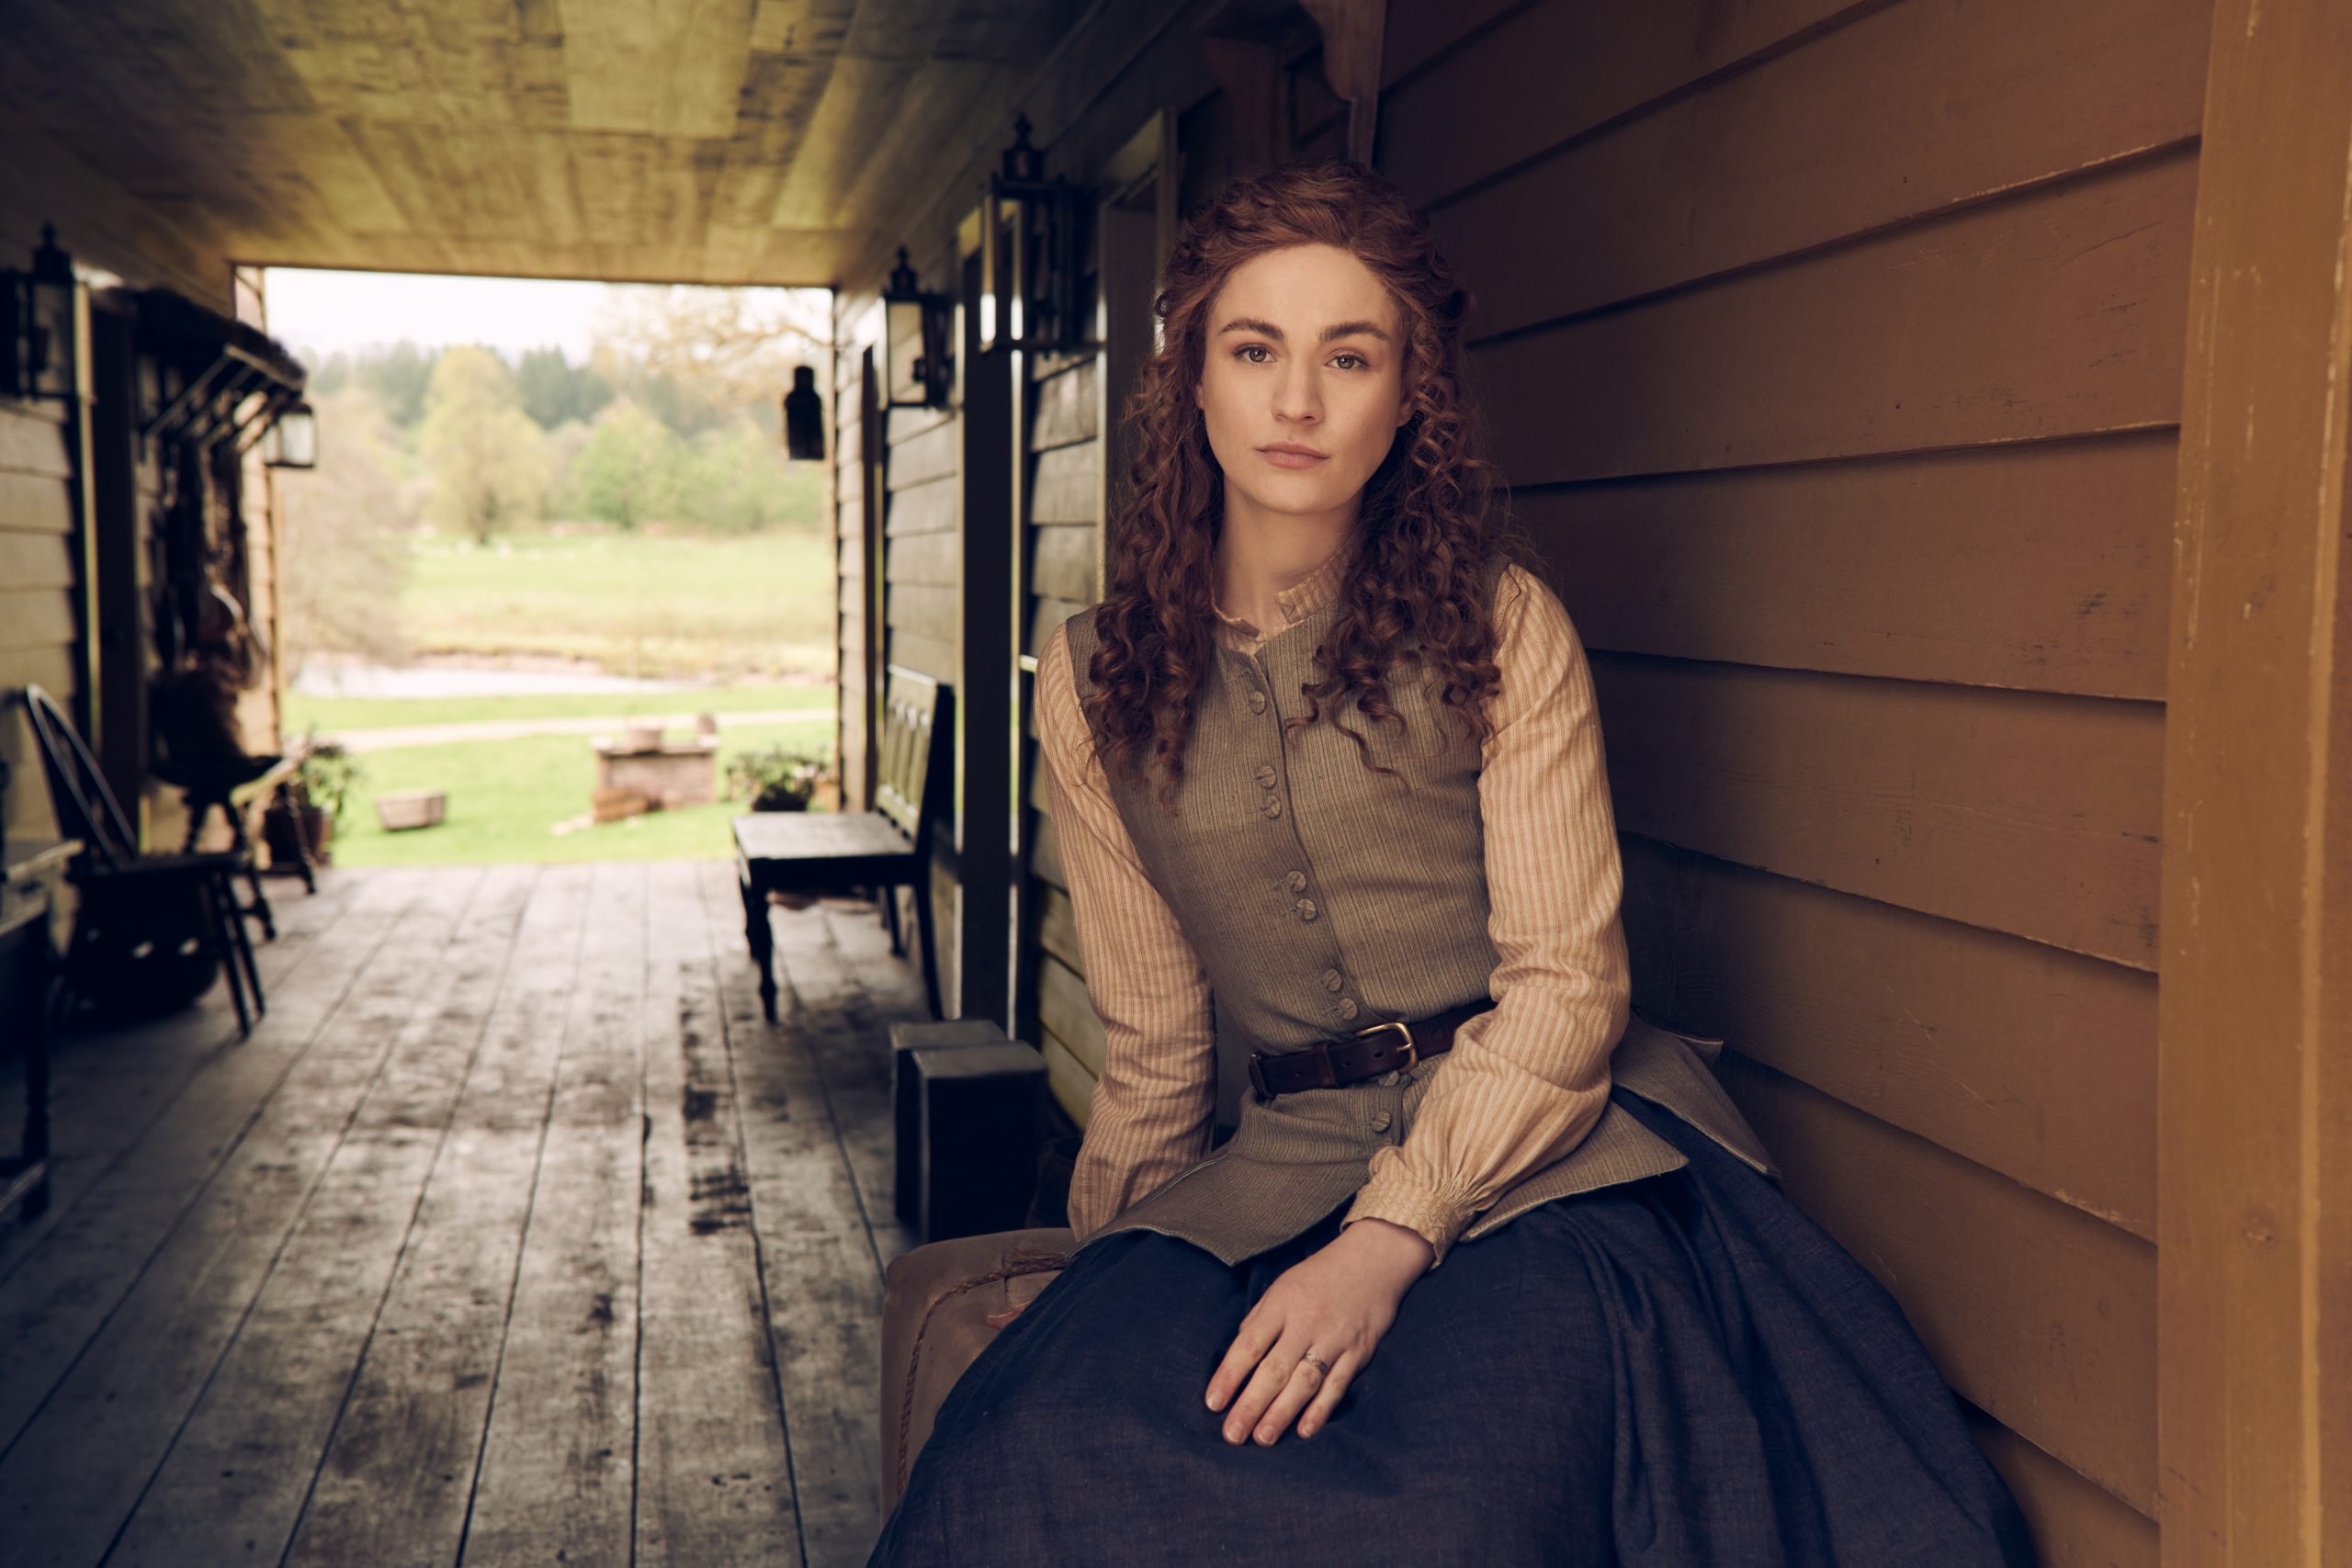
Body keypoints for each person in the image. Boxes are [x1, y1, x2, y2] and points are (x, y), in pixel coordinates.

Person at [865, 159, 2035, 1566]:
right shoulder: (1092, 676)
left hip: (1542, 1160)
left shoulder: (1501, 626)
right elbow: (1159, 1042)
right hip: (1280, 1162)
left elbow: (1565, 991)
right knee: (1018, 1464)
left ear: (1410, 394)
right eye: (1257, 351)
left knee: (1455, 1498)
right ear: (1192, 380)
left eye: (1349, 357)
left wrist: (1387, 1240)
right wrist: (1101, 1267)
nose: (1299, 401)